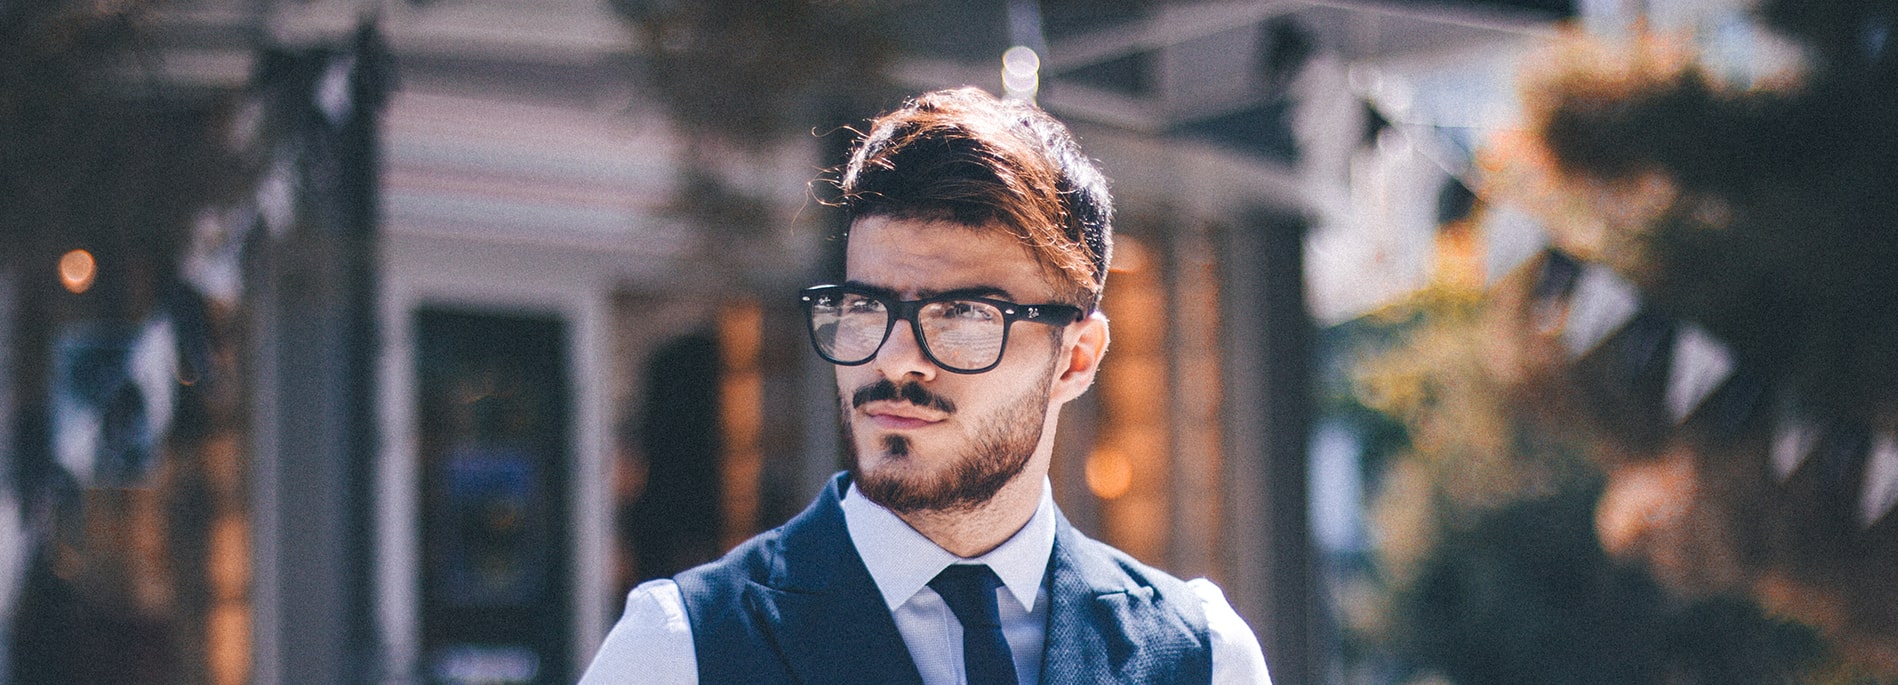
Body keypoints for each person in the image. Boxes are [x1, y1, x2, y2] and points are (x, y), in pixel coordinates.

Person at [580, 87, 1271, 684]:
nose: (895, 359)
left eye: (963, 314)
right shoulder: (681, 649)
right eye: (865, 308)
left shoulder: (1200, 657)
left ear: (1076, 358)